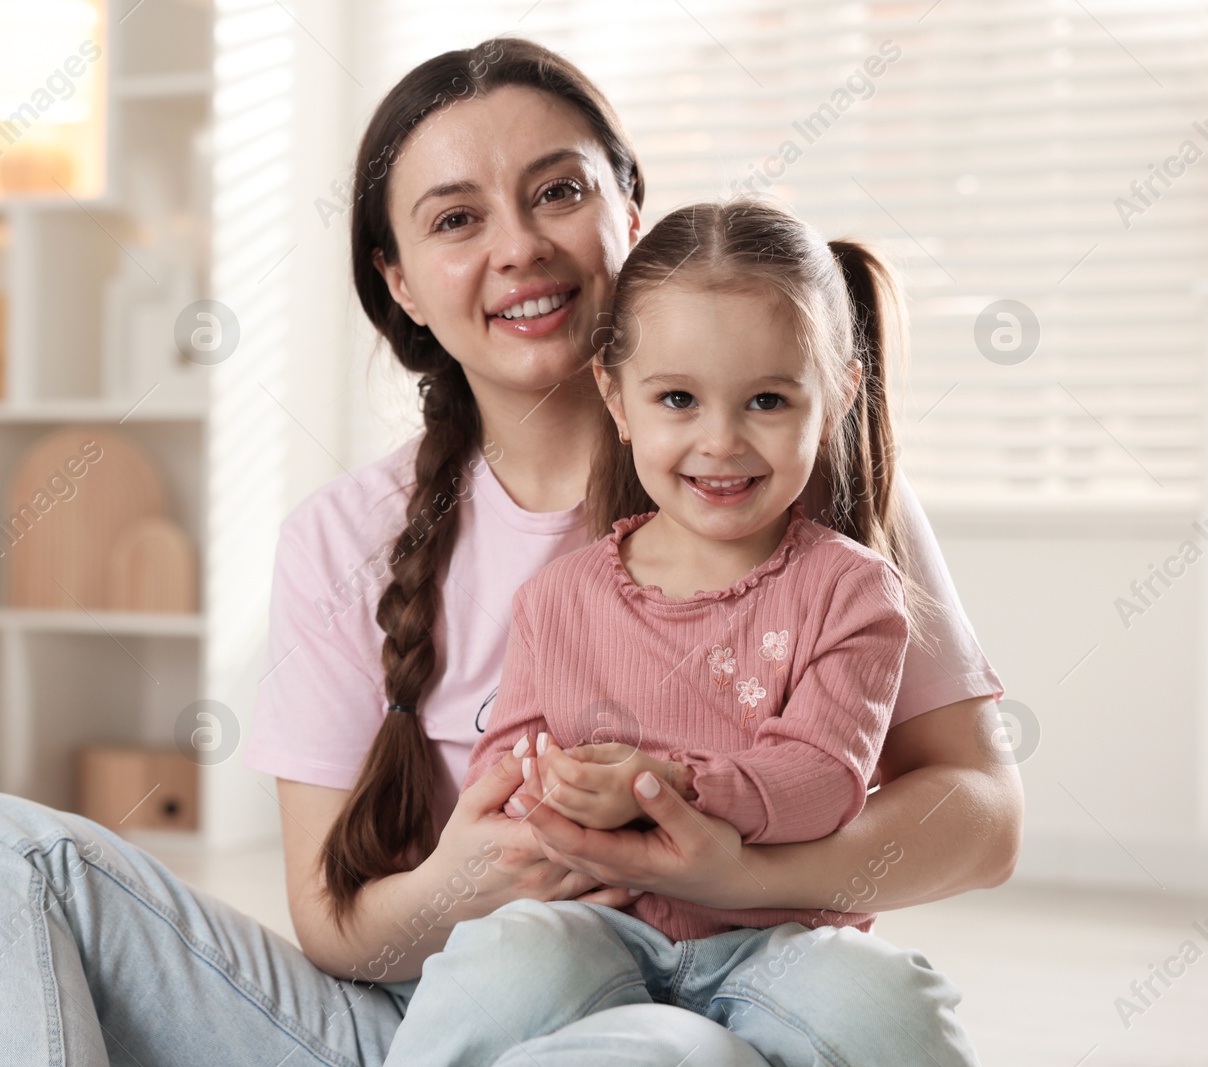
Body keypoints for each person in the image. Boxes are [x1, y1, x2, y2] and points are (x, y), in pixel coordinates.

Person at [0, 38, 1019, 1066]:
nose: (519, 247)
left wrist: (740, 873)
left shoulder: (790, 483)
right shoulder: (344, 537)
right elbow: (334, 926)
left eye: (558, 191)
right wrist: (463, 886)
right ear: (399, 281)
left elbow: (979, 812)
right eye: (455, 217)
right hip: (439, 1015)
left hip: (711, 1010)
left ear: (632, 205)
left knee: (665, 1048)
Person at [379, 199, 979, 1066]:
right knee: (495, 965)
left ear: (839, 396)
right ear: (616, 400)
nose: (721, 440)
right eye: (678, 400)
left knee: (892, 1001)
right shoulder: (557, 598)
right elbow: (508, 765)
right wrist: (554, 793)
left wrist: (663, 787)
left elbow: (821, 779)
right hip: (597, 924)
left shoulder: (854, 590)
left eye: (768, 399)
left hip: (780, 943)